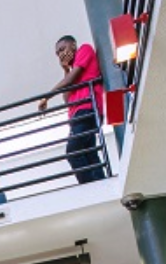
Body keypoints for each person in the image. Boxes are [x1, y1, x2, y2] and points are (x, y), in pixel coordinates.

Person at [37, 35, 107, 184]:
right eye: (58, 53)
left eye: (62, 49)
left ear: (73, 45)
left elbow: (69, 80)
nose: (60, 54)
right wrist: (66, 69)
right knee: (90, 154)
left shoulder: (84, 50)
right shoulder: (72, 69)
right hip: (78, 114)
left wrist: (46, 97)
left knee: (73, 151)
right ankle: (101, 184)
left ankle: (90, 188)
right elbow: (67, 98)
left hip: (86, 109)